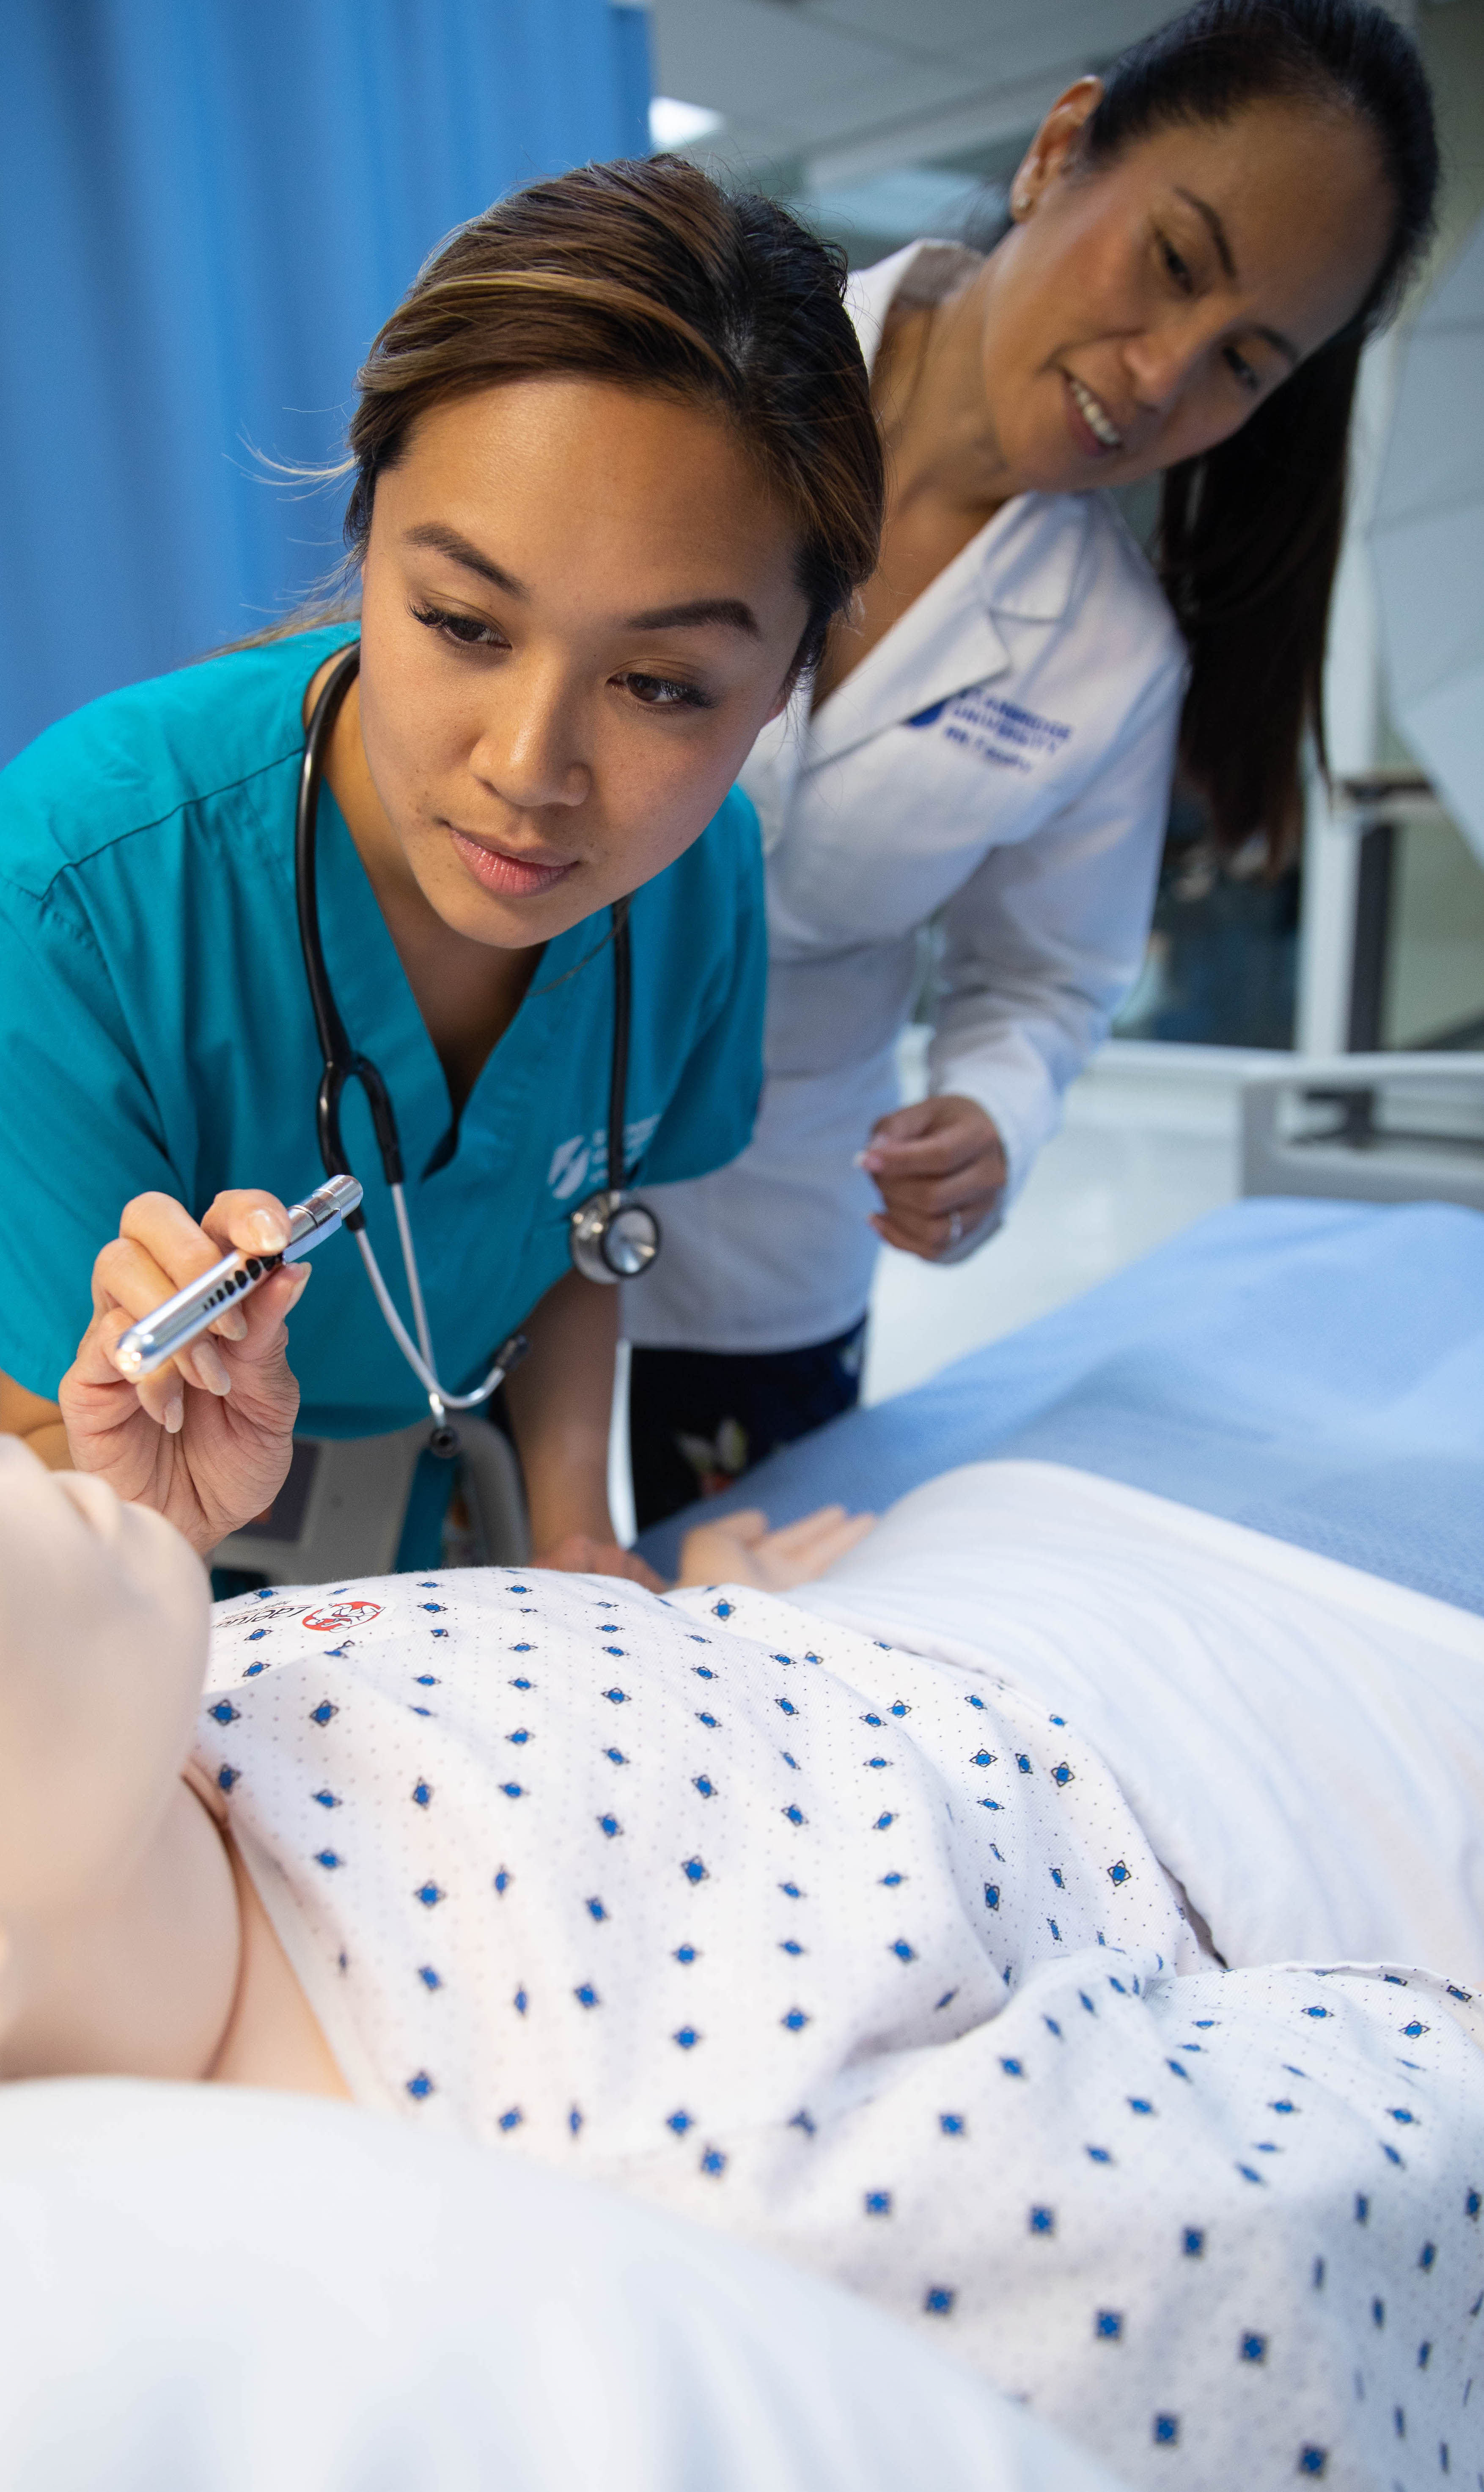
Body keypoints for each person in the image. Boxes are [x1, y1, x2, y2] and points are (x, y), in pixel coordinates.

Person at [0, 1313, 1479, 2492]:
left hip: (935, 1580)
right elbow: (1335, 2199)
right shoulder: (705, 2157)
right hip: (1274, 1713)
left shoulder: (170, 1735)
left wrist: (706, 1630)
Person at [0, 156, 882, 1581]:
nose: (528, 769)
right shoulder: (74, 892)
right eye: (464, 622)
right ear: (363, 538)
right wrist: (163, 1534)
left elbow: (577, 1227)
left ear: (784, 684)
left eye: (661, 684)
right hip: (77, 1536)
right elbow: (67, 1477)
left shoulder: (697, 877)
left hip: (422, 1525)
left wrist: (575, 1535)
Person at [624, 0, 1440, 1528]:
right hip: (484, 1159)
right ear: (1060, 150)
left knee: (725, 1612)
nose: (1161, 375)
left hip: (767, 1230)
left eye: (1242, 363)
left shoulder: (1109, 661)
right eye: (1173, 263)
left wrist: (989, 1116)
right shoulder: (695, 378)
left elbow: (1044, 979)